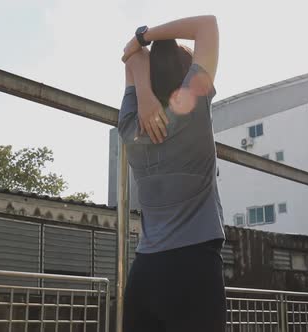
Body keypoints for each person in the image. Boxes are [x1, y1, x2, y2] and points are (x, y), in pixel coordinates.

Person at [118, 16, 226, 331]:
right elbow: (208, 24)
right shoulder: (193, 108)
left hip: (145, 274)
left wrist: (144, 94)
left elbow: (130, 59)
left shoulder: (129, 128)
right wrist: (145, 37)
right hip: (196, 270)